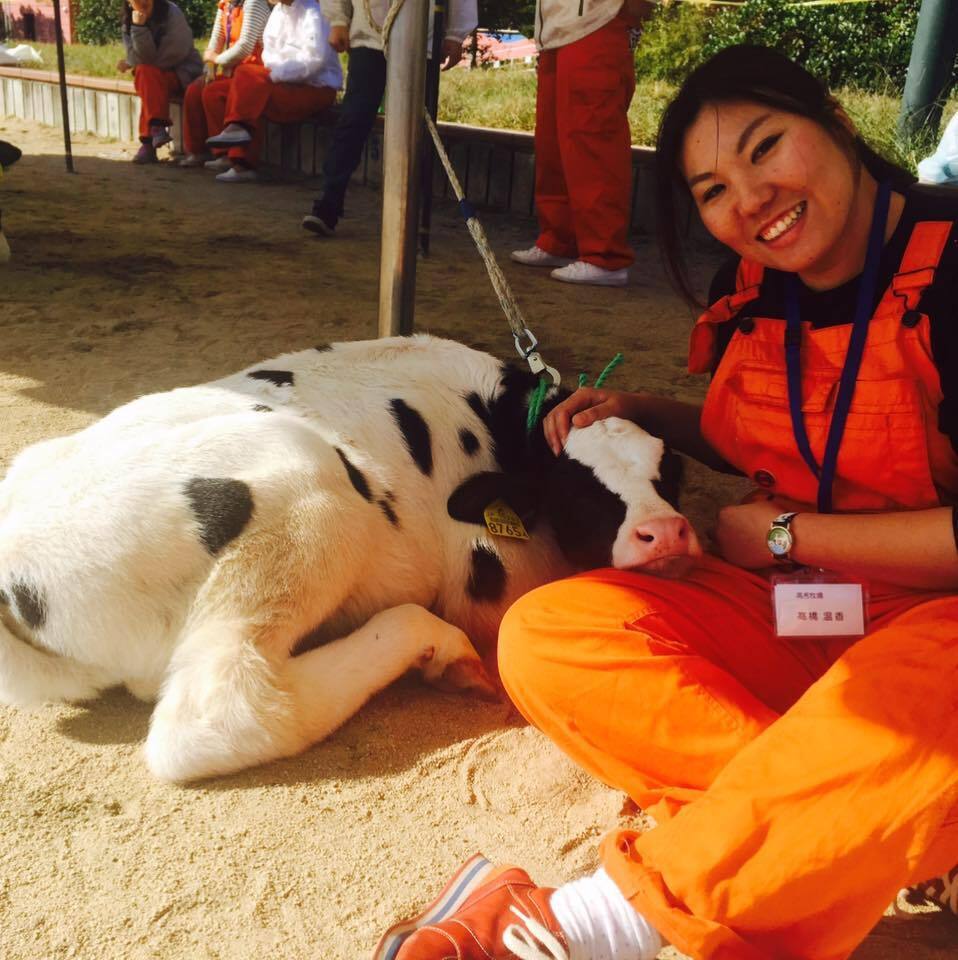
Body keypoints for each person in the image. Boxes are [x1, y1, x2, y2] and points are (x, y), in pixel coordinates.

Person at [373, 44, 958, 960]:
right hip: (804, 609)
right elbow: (776, 436)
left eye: (766, 148)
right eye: (713, 190)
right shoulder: (752, 287)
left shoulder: (951, 265)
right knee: (546, 634)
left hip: (934, 623)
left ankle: (588, 926)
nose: (750, 200)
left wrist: (786, 533)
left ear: (838, 123)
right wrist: (642, 412)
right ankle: (879, 817)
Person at [509, 0, 655, 288]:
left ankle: (605, 255)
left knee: (593, 140)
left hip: (600, 19)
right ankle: (559, 239)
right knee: (553, 142)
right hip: (556, 26)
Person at [300, 0, 476, 236]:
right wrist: (338, 20)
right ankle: (328, 204)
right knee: (353, 120)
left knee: (414, 132)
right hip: (369, 37)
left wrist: (455, 34)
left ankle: (408, 215)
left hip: (420, 40)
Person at [201, 0, 342, 183]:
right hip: (281, 79)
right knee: (215, 91)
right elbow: (268, 54)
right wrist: (273, 76)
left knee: (250, 85)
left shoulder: (314, 12)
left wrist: (276, 76)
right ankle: (226, 153)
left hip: (315, 87)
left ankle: (243, 163)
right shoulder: (278, 12)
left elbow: (312, 62)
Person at [178, 0, 271, 169]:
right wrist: (209, 67)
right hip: (234, 71)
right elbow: (216, 40)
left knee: (214, 92)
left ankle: (225, 154)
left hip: (253, 73)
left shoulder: (254, 3)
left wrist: (217, 59)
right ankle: (198, 150)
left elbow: (245, 46)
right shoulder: (225, 5)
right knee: (195, 89)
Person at [118, 0, 203, 164]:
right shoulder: (129, 23)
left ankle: (148, 143)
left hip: (182, 72)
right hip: (154, 77)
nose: (143, 1)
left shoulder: (171, 12)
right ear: (129, 2)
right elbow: (139, 58)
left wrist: (133, 63)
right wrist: (139, 28)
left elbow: (176, 52)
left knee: (146, 75)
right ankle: (156, 128)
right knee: (145, 73)